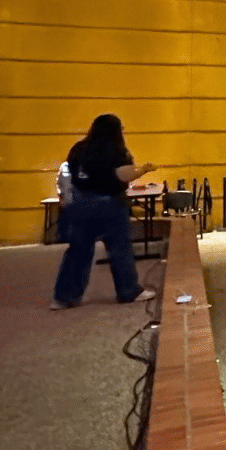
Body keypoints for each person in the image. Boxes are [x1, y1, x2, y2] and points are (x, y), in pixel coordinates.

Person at [52, 114, 158, 310]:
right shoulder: (115, 151)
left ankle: (64, 297)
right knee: (120, 249)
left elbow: (67, 174)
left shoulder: (78, 149)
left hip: (80, 205)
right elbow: (122, 174)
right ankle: (128, 291)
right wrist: (143, 170)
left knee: (78, 251)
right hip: (110, 205)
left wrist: (67, 200)